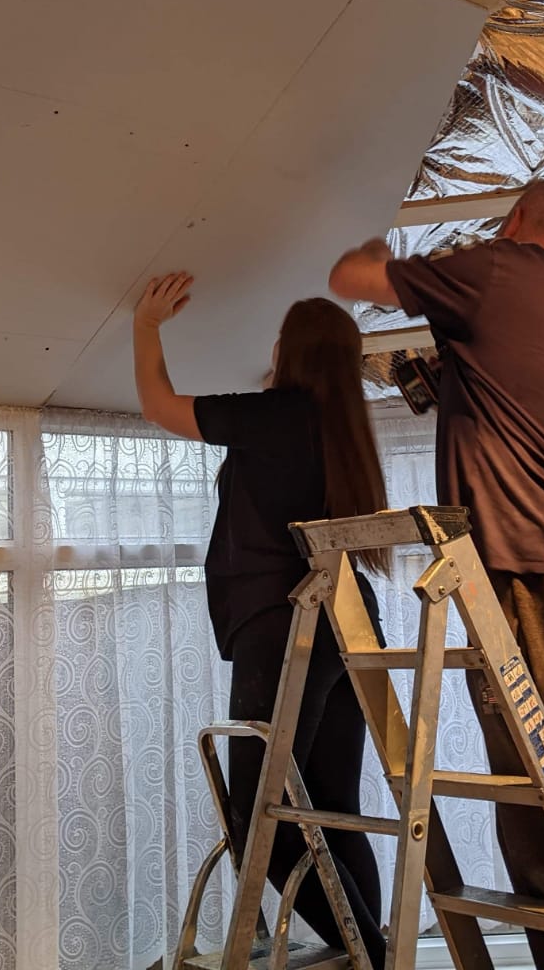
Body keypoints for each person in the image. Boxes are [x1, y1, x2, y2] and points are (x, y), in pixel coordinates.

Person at [327, 178, 544, 970]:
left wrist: (374, 249)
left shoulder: (495, 270)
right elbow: (521, 416)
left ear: (517, 220)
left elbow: (349, 280)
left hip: (533, 583)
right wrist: (450, 373)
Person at [132, 273, 389, 969]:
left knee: (261, 824)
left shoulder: (276, 414)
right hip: (346, 622)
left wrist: (145, 324)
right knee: (333, 809)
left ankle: (366, 951)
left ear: (291, 351)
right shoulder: (341, 425)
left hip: (289, 626)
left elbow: (159, 406)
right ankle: (376, 952)